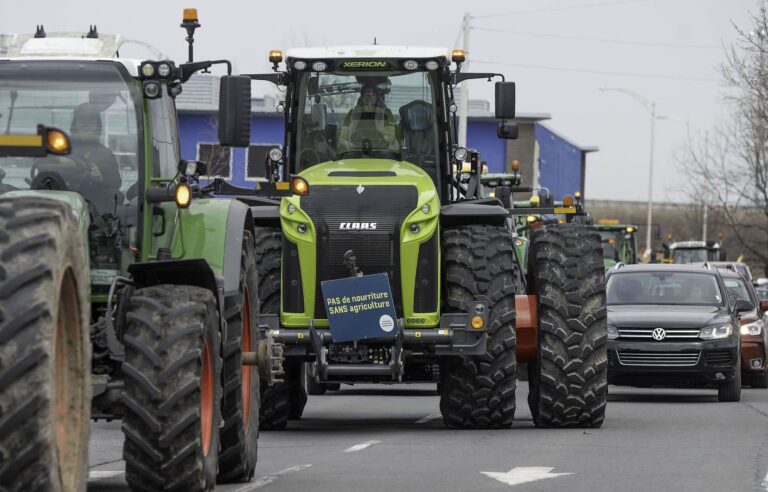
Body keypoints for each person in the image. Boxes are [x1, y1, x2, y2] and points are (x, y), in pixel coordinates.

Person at [68, 98, 122, 211]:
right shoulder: (62, 151)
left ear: (97, 125)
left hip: (96, 211)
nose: (86, 125)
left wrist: (101, 178)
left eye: (91, 121)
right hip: (66, 204)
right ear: (75, 124)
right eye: (82, 120)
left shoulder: (105, 154)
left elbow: (116, 182)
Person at [337, 76, 400, 157]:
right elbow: (343, 138)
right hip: (356, 149)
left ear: (377, 96)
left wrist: (380, 136)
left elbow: (390, 137)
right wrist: (348, 144)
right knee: (348, 157)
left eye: (372, 94)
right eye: (366, 94)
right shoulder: (352, 114)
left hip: (380, 149)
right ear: (362, 97)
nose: (369, 97)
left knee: (386, 156)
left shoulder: (386, 113)